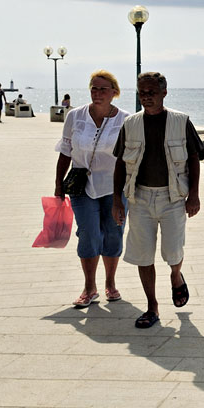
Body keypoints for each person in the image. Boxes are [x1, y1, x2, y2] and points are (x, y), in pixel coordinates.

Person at [112, 71, 204, 329]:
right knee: (143, 255)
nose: (147, 97)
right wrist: (117, 201)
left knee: (173, 251)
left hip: (172, 197)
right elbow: (120, 162)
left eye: (152, 92)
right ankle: (152, 306)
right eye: (142, 92)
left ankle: (176, 276)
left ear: (164, 92)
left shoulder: (180, 121)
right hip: (139, 197)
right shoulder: (130, 123)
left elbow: (194, 158)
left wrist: (194, 195)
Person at [54, 70, 130, 308]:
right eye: (94, 88)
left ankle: (110, 283)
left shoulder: (126, 120)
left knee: (113, 233)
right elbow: (66, 151)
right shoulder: (75, 116)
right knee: (88, 234)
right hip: (81, 186)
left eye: (103, 89)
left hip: (114, 188)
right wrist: (58, 185)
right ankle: (89, 287)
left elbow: (130, 157)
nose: (98, 93)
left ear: (114, 93)